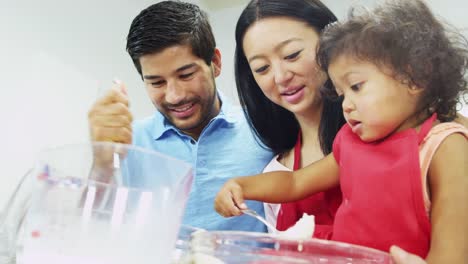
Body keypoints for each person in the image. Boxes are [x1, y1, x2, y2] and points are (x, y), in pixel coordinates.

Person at [215, 0, 468, 262]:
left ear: (415, 78)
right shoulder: (350, 141)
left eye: (356, 87)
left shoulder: (445, 145)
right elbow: (295, 182)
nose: (346, 105)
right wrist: (241, 185)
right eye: (340, 93)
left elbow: (453, 250)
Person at [87, 0, 273, 231]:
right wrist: (102, 162)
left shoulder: (264, 127)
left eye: (186, 75)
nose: (174, 96)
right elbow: (88, 229)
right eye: (156, 82)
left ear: (215, 63)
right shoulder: (128, 144)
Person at [233, 0, 345, 238]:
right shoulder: (274, 175)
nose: (281, 77)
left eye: (291, 55)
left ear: (330, 41)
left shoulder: (377, 136)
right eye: (262, 68)